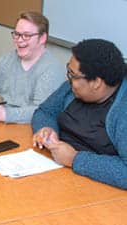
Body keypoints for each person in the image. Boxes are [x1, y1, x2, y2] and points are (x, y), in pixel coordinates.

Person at [32, 39, 127, 190]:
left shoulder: (122, 110)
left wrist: (75, 159)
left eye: (73, 75)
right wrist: (47, 128)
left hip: (97, 191)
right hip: (54, 171)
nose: (68, 79)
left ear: (96, 82)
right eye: (69, 71)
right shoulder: (72, 88)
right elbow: (45, 111)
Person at [0, 11, 65, 123]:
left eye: (26, 35)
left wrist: (6, 115)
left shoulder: (51, 68)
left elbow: (42, 111)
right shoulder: (7, 59)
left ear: (42, 38)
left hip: (27, 129)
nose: (19, 40)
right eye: (17, 34)